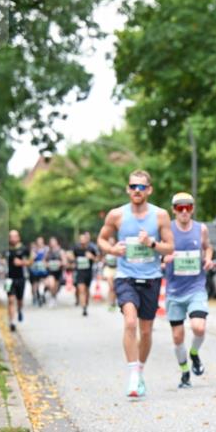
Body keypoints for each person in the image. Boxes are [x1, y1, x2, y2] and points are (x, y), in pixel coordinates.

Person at [97, 170, 173, 398]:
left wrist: (151, 243)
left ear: (149, 190)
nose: (136, 191)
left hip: (150, 278)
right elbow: (101, 238)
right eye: (133, 187)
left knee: (146, 331)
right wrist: (112, 249)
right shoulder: (116, 215)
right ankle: (132, 375)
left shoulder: (160, 215)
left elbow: (170, 247)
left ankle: (140, 370)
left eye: (141, 187)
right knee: (130, 322)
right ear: (127, 189)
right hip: (125, 276)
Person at [161, 192, 212, 388]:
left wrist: (207, 258)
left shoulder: (201, 229)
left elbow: (208, 247)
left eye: (188, 207)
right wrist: (163, 259)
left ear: (192, 209)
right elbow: (158, 252)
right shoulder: (167, 231)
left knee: (199, 327)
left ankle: (194, 353)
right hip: (174, 291)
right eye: (179, 208)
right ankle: (184, 371)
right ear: (173, 210)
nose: (184, 211)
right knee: (177, 337)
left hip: (195, 287)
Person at [70, 231, 99, 317]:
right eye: (81, 239)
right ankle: (83, 308)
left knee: (86, 290)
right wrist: (71, 258)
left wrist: (92, 257)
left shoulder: (91, 248)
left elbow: (98, 259)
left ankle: (86, 304)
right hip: (79, 272)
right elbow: (72, 257)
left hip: (88, 272)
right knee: (81, 289)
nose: (82, 241)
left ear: (86, 240)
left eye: (84, 239)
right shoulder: (76, 248)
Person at [5, 229, 30, 332]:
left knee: (19, 300)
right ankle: (12, 322)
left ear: (18, 237)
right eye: (11, 236)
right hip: (8, 279)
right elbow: (0, 259)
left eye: (15, 236)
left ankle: (19, 310)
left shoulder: (24, 249)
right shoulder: (6, 249)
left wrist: (22, 262)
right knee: (10, 300)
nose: (13, 238)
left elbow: (31, 261)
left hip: (20, 278)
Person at [44, 236, 65, 306]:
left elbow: (65, 262)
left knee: (55, 287)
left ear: (56, 242)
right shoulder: (48, 252)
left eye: (54, 242)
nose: (52, 243)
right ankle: (52, 297)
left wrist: (60, 263)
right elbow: (44, 261)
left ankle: (54, 296)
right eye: (51, 242)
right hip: (51, 272)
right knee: (51, 285)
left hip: (58, 272)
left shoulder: (60, 251)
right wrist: (47, 264)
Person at [29, 237, 48, 306]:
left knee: (44, 282)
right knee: (35, 283)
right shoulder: (34, 250)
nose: (40, 243)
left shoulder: (46, 249)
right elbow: (31, 259)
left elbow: (47, 258)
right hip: (35, 269)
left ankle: (42, 295)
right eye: (38, 241)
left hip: (43, 269)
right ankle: (35, 296)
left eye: (41, 241)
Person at [102, 236, 119, 311]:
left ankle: (113, 302)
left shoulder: (118, 250)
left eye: (112, 241)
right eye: (110, 241)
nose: (111, 242)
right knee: (111, 287)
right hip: (108, 270)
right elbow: (102, 261)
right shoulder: (105, 250)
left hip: (116, 269)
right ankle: (110, 303)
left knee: (114, 288)